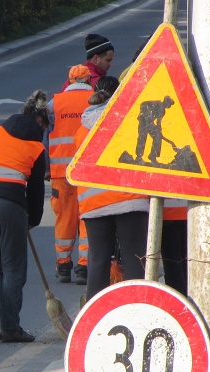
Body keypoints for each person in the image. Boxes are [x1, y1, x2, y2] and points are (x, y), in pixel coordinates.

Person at [0, 90, 50, 343]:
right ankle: (11, 328)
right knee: (13, 269)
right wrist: (32, 220)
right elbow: (36, 193)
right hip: (10, 206)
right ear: (39, 122)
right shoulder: (36, 148)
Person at [72, 76, 149, 300]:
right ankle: (137, 309)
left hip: (94, 203)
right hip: (129, 199)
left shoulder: (81, 131)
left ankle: (95, 316)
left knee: (97, 261)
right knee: (135, 259)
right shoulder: (128, 122)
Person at [46, 65, 93, 285]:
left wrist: (46, 168)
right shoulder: (96, 101)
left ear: (70, 80)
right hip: (88, 173)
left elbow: (44, 138)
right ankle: (84, 267)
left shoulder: (54, 104)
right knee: (87, 219)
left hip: (60, 174)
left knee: (63, 219)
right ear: (89, 79)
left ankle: (63, 266)